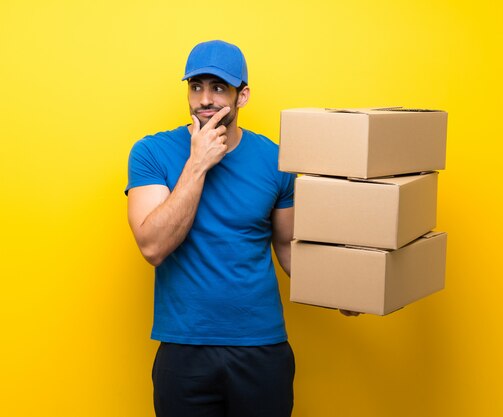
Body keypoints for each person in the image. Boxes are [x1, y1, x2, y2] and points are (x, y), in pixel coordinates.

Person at [125, 40, 357, 417]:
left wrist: (340, 291)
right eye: (196, 86)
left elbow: (287, 247)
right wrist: (197, 164)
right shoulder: (152, 152)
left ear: (242, 95)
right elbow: (152, 246)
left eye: (218, 88)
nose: (205, 99)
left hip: (261, 349)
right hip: (184, 349)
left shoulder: (276, 159)